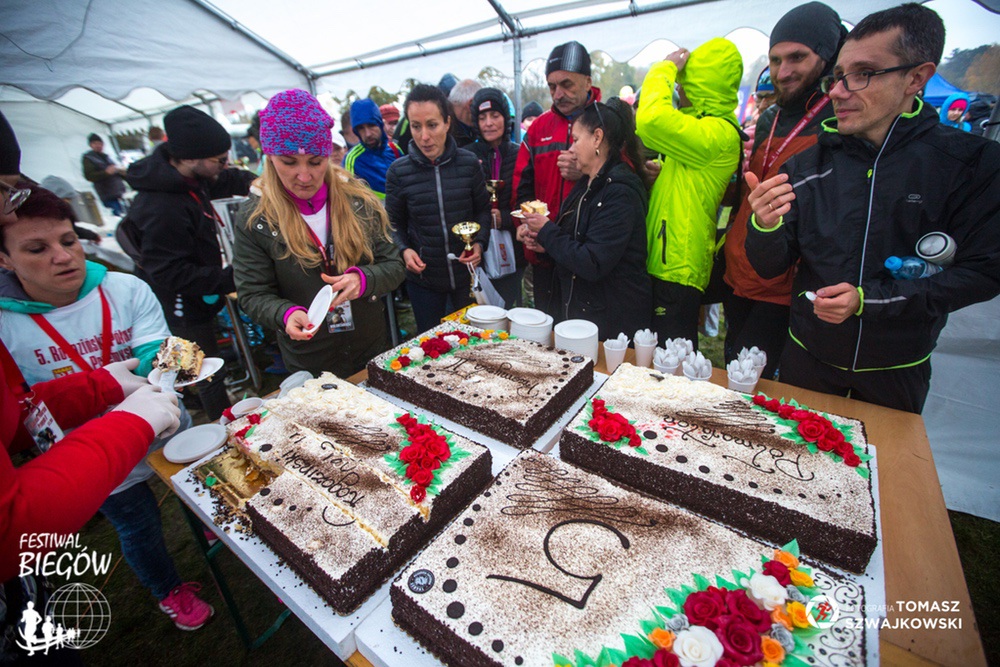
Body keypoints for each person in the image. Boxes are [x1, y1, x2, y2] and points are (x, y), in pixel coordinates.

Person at [744, 3, 1000, 413]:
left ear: (916, 77)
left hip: (896, 370)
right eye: (838, 76)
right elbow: (771, 265)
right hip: (809, 359)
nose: (837, 92)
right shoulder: (807, 166)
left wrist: (870, 301)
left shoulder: (968, 164)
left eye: (863, 74)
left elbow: (983, 273)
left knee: (886, 454)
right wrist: (765, 225)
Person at [0, 184, 214, 630]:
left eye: (69, 240)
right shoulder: (6, 324)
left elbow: (156, 349)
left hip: (163, 427)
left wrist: (161, 367)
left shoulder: (124, 288)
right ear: (4, 259)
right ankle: (168, 589)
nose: (63, 257)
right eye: (37, 249)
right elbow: (22, 410)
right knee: (139, 528)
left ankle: (210, 524)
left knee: (200, 488)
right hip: (85, 458)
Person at [233, 89, 405, 377]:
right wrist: (285, 314)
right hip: (309, 357)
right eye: (289, 162)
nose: (304, 176)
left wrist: (364, 280)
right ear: (270, 157)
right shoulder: (256, 218)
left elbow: (394, 265)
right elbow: (253, 293)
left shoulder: (358, 200)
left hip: (368, 346)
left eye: (315, 161)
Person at [723, 2, 847, 378]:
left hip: (783, 282)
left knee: (750, 378)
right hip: (739, 270)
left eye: (797, 57)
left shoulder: (837, 121)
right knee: (732, 363)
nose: (783, 71)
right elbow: (751, 188)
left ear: (827, 58)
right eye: (775, 60)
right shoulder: (770, 118)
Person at [125, 105, 254, 420]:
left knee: (213, 360)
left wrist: (261, 182)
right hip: (181, 301)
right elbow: (168, 272)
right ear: (190, 158)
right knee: (204, 369)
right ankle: (221, 425)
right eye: (219, 160)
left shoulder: (194, 179)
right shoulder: (159, 206)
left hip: (204, 288)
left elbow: (227, 179)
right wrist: (231, 278)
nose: (225, 165)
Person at [636, 38, 743, 348]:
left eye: (685, 83)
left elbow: (651, 120)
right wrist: (661, 172)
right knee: (658, 356)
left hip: (678, 267)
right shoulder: (703, 129)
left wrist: (664, 69)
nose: (679, 90)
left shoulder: (718, 133)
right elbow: (689, 179)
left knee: (672, 360)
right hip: (669, 261)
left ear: (701, 86)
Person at [521, 99, 651, 339]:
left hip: (612, 325)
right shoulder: (586, 184)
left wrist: (547, 231)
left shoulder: (620, 192)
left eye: (576, 140)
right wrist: (545, 245)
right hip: (586, 316)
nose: (571, 149)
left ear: (597, 138)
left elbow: (592, 262)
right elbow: (575, 243)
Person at [385, 84, 490, 333]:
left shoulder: (469, 164)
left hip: (466, 276)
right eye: (416, 126)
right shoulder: (399, 172)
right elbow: (392, 224)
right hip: (424, 282)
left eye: (432, 125)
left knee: (472, 342)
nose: (424, 136)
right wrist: (404, 250)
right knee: (431, 344)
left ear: (447, 123)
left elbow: (483, 211)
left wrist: (479, 243)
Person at [514, 41, 601, 317]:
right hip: (544, 257)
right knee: (546, 331)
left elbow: (623, 180)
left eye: (566, 84)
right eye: (552, 86)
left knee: (583, 334)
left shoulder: (605, 121)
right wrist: (523, 224)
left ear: (588, 82)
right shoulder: (539, 128)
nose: (558, 94)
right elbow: (522, 187)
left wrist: (585, 171)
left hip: (586, 258)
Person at [469, 87, 525, 308]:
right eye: (482, 118)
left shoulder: (520, 154)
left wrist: (506, 218)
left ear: (505, 118)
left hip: (512, 248)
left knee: (506, 307)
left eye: (495, 115)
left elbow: (527, 199)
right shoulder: (467, 156)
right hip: (478, 248)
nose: (489, 123)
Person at [342, 99, 401, 199]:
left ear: (380, 124)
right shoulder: (352, 159)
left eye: (371, 125)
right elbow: (348, 199)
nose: (368, 134)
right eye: (361, 128)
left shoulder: (395, 149)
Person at [81, 133, 127, 217]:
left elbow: (114, 170)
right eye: (95, 143)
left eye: (100, 143)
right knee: (118, 217)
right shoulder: (88, 158)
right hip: (108, 195)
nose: (98, 145)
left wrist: (121, 172)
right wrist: (106, 173)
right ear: (90, 145)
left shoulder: (106, 157)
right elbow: (89, 176)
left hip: (120, 192)